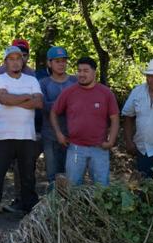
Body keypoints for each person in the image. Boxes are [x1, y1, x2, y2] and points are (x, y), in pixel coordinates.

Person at [0, 45, 42, 221]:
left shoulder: (32, 80)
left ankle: (29, 209)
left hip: (27, 135)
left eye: (18, 59)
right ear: (5, 62)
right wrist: (26, 96)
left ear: (23, 61)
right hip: (3, 135)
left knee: (28, 176)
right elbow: (3, 99)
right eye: (11, 59)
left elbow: (38, 103)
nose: (15, 62)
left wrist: (13, 99)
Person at [50, 58, 119, 187]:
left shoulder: (105, 93)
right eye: (79, 71)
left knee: (101, 188)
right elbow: (54, 112)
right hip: (75, 147)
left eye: (86, 71)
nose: (81, 74)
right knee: (72, 187)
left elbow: (114, 118)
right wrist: (59, 134)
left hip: (100, 148)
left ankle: (97, 202)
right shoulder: (69, 92)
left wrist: (111, 141)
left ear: (94, 72)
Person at [38, 46, 73, 184]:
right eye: (57, 61)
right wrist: (66, 104)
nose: (61, 64)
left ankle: (69, 199)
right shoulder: (43, 83)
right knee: (53, 175)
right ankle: (53, 197)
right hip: (50, 135)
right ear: (49, 63)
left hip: (73, 134)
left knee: (71, 175)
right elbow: (43, 106)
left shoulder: (75, 81)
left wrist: (58, 105)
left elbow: (80, 105)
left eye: (63, 61)